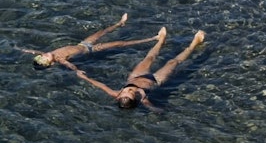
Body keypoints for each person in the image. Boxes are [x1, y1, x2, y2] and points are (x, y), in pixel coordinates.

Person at [75, 28, 205, 110]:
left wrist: (84, 77)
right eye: (131, 93)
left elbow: (100, 85)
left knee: (149, 58)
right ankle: (195, 43)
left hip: (136, 76)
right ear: (135, 99)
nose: (129, 90)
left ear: (118, 96)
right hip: (156, 80)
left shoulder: (116, 93)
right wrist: (159, 111)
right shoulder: (142, 99)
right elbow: (154, 108)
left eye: (126, 91)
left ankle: (160, 41)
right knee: (174, 62)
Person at [21, 13, 158, 70]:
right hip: (91, 49)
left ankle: (119, 24)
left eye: (43, 55)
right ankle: (152, 39)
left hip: (83, 43)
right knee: (119, 44)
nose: (45, 54)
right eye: (45, 57)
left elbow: (37, 51)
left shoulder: (49, 53)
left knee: (102, 32)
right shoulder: (61, 59)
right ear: (50, 63)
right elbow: (70, 66)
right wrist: (77, 71)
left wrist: (26, 50)